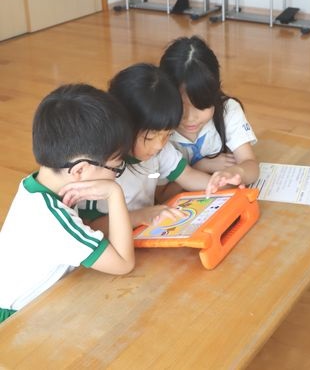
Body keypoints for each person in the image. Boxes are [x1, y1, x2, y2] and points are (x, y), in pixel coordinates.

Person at [0, 84, 136, 323]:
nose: (116, 175)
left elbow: (90, 230)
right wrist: (115, 194)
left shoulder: (40, 185)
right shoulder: (51, 219)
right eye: (116, 168)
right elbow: (124, 264)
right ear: (80, 170)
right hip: (13, 321)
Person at [79, 63, 242, 231]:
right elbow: (91, 227)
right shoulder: (101, 168)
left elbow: (188, 176)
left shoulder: (160, 151)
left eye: (168, 135)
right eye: (150, 138)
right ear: (124, 125)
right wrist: (142, 215)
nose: (159, 145)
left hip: (147, 233)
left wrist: (225, 185)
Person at [157, 35, 259, 201]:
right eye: (181, 107)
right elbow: (161, 196)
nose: (190, 118)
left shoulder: (228, 111)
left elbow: (251, 164)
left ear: (215, 93)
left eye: (200, 105)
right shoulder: (158, 132)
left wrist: (236, 172)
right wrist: (201, 167)